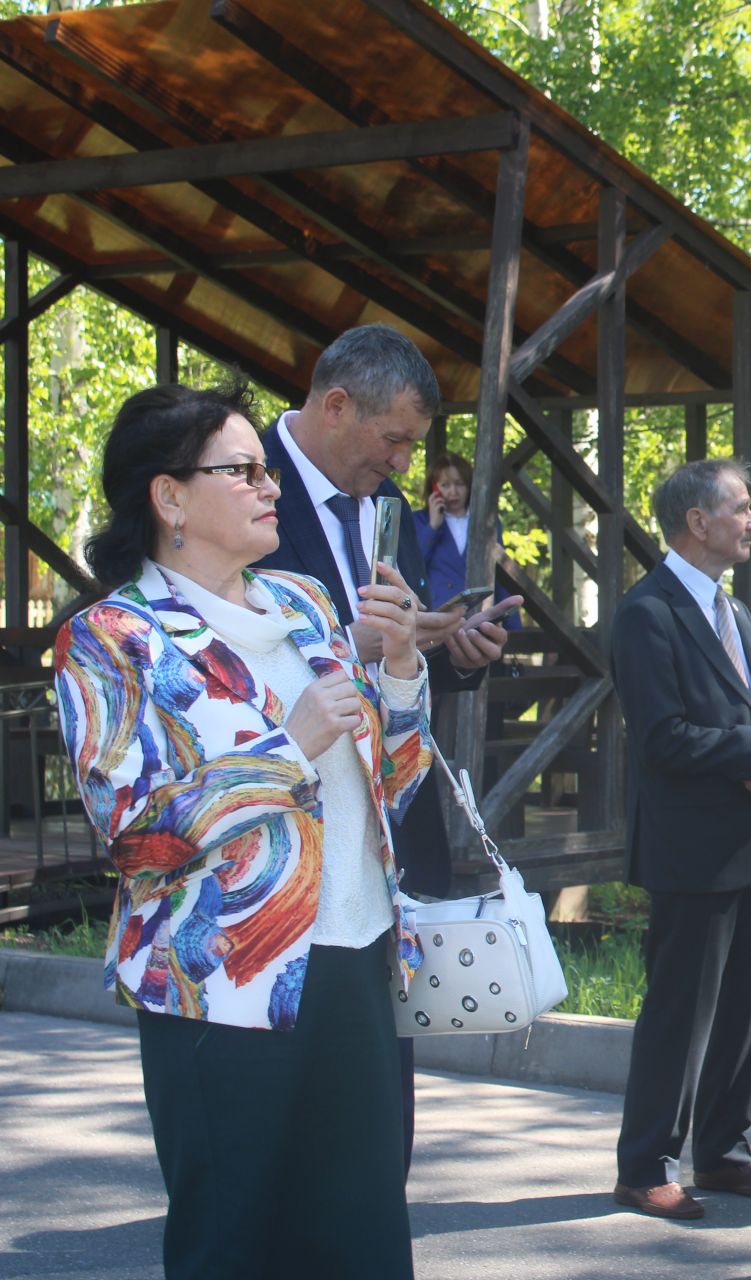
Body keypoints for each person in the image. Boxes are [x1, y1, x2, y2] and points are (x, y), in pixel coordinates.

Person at [53, 381, 430, 1279]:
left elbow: (391, 794)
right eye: (245, 470)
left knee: (364, 1240)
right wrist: (290, 746)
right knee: (236, 1242)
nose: (271, 487)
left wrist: (406, 671)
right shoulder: (111, 637)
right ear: (169, 495)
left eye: (268, 470)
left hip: (357, 961)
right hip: (221, 987)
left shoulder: (303, 603)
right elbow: (137, 837)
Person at [254, 323, 521, 1167]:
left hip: (386, 850)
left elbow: (391, 650)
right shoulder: (239, 487)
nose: (407, 464)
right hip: (280, 851)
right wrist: (356, 646)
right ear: (336, 405)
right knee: (284, 1137)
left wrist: (449, 645)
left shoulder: (390, 511)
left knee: (376, 1135)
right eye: (395, 439)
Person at [609, 458, 751, 1219]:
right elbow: (661, 738)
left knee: (742, 1015)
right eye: (743, 508)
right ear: (698, 521)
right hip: (690, 851)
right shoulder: (646, 613)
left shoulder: (734, 612)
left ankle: (722, 1152)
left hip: (748, 844)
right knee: (679, 1014)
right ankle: (644, 1164)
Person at [413, 450, 519, 628]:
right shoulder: (419, 521)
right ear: (433, 487)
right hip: (436, 619)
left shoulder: (486, 523)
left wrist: (513, 626)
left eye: (459, 484)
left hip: (479, 617)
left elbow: (499, 573)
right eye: (445, 485)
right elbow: (412, 567)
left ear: (469, 486)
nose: (453, 492)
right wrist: (432, 527)